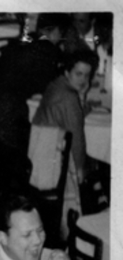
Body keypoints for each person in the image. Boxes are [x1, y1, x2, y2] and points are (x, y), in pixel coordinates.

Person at [0, 13, 70, 193]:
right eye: (62, 32)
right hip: (3, 108)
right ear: (55, 31)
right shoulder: (46, 50)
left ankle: (7, 183)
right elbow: (49, 90)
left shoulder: (26, 41)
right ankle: (23, 188)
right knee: (41, 138)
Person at [32, 48, 99, 183]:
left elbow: (68, 115)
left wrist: (81, 96)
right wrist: (79, 169)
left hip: (37, 152)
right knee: (99, 165)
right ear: (67, 72)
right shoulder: (69, 98)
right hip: (51, 165)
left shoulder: (56, 84)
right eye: (78, 74)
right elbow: (77, 137)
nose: (83, 80)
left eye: (87, 75)